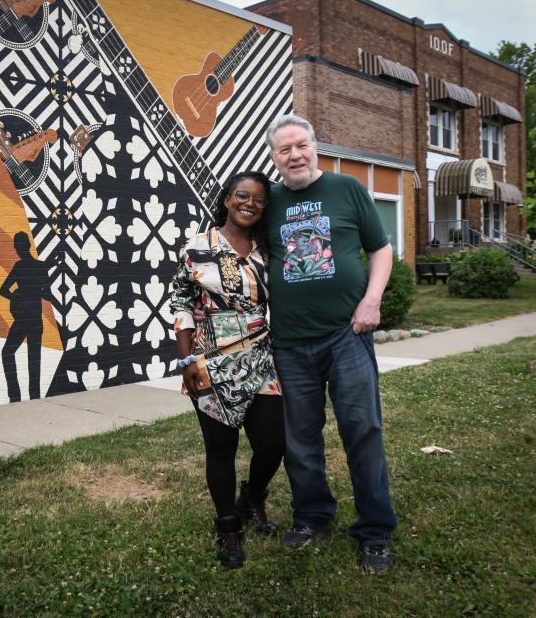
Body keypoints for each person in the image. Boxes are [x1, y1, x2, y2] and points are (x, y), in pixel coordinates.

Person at [262, 113, 397, 574]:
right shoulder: (270, 201)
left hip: (347, 333)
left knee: (363, 430)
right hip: (289, 342)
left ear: (315, 147)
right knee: (300, 438)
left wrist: (372, 301)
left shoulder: (347, 190)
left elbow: (380, 248)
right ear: (274, 157)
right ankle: (313, 515)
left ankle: (375, 531)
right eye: (285, 150)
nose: (295, 155)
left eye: (301, 145)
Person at [169, 171, 286, 569]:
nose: (248, 204)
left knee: (273, 443)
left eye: (257, 199)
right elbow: (180, 300)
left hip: (260, 356)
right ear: (227, 199)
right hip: (209, 360)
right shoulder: (198, 247)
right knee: (221, 449)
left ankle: (252, 497)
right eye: (242, 196)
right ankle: (228, 528)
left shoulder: (267, 251)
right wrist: (187, 359)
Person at [0, 232, 53, 402]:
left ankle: (15, 395)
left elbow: (3, 290)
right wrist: (33, 292)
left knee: (8, 352)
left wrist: (18, 295)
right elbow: (47, 296)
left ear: (20, 247)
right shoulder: (39, 267)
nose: (17, 249)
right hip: (33, 320)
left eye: (17, 246)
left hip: (23, 319)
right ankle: (33, 397)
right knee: (33, 359)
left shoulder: (20, 266)